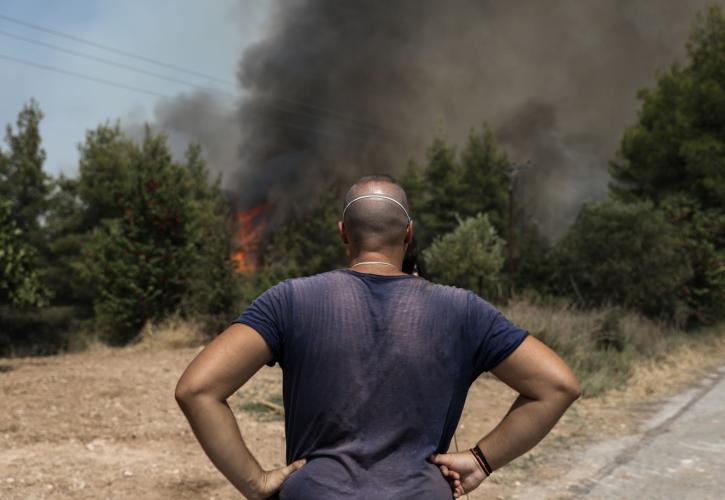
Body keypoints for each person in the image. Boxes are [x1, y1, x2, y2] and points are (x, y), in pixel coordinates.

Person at [175, 174, 581, 499]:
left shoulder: (289, 300)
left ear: (343, 233)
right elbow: (557, 385)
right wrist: (480, 460)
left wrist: (255, 482)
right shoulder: (461, 309)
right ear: (408, 234)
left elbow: (197, 390)